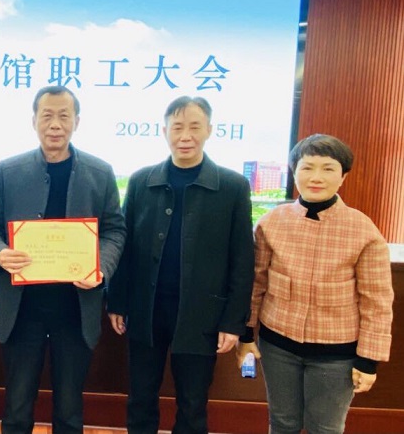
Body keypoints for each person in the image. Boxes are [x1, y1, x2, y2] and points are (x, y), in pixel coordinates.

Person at [0, 85, 126, 434]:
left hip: (75, 308)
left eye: (63, 116)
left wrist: (101, 268)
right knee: (16, 408)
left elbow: (115, 231)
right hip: (22, 309)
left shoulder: (100, 172)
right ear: (34, 121)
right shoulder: (8, 170)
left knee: (70, 410)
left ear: (77, 121)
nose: (55, 124)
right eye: (47, 116)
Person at [107, 96, 254, 434]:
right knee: (140, 396)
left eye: (194, 127)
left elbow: (242, 259)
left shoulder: (232, 186)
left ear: (210, 130)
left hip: (202, 314)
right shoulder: (142, 181)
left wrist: (233, 322)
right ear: (164, 131)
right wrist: (117, 301)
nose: (185, 136)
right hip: (146, 309)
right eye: (177, 127)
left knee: (192, 402)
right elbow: (124, 246)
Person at [236, 134, 394, 434]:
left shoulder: (364, 230)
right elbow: (255, 284)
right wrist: (246, 335)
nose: (316, 177)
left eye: (328, 168)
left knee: (326, 428)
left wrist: (368, 360)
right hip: (277, 346)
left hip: (337, 354)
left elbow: (377, 302)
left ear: (343, 176)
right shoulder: (271, 222)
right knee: (282, 422)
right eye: (307, 167)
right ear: (294, 171)